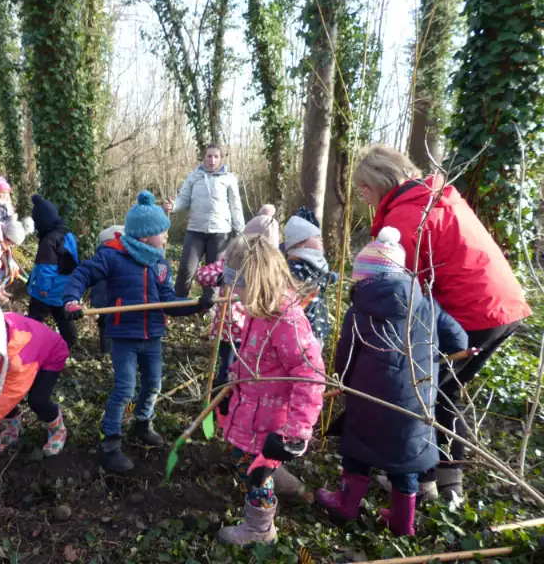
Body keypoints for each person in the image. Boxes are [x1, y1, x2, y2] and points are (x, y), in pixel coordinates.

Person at [353, 145, 531, 499]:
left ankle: (424, 479)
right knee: (444, 390)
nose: (362, 197)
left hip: (475, 311)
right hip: (499, 306)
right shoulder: (434, 199)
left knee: (423, 391)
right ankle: (449, 481)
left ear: (379, 182)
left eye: (364, 189)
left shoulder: (405, 217)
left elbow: (402, 293)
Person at [316, 228, 468, 536]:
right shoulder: (425, 304)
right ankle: (402, 521)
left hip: (369, 399)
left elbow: (345, 356)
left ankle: (346, 505)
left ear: (364, 277)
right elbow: (459, 339)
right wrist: (435, 359)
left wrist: (343, 381)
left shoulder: (360, 311)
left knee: (358, 449)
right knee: (406, 457)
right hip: (417, 395)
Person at [63, 191, 213, 473]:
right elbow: (82, 274)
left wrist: (197, 306)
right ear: (145, 236)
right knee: (124, 389)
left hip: (153, 336)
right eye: (162, 233)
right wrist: (71, 299)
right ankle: (109, 444)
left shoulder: (160, 263)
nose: (167, 237)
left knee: (153, 384)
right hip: (124, 336)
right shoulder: (113, 256)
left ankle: (142, 424)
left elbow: (168, 303)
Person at [214, 234, 325, 546]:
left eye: (240, 287)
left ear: (259, 282)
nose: (234, 295)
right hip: (249, 409)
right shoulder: (258, 310)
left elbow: (310, 376)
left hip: (270, 421)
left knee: (255, 475)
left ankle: (260, 530)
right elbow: (252, 357)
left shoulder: (286, 320)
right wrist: (231, 383)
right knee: (242, 461)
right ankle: (280, 479)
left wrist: (294, 434)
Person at [0, 292, 69, 457]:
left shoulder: (18, 355)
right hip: (23, 354)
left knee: (37, 400)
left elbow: (11, 392)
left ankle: (58, 428)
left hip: (50, 354)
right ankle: (12, 431)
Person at [194, 204, 280, 394]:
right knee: (228, 367)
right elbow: (202, 274)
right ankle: (222, 398)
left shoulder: (268, 269)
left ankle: (238, 398)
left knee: (246, 370)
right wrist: (223, 277)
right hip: (228, 329)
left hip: (253, 330)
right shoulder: (229, 260)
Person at [163, 144, 245, 298]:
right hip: (195, 231)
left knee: (215, 274)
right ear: (204, 157)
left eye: (216, 156)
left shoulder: (229, 179)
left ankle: (210, 307)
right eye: (209, 156)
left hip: (221, 233)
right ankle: (177, 304)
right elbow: (184, 200)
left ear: (221, 159)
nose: (212, 160)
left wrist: (241, 232)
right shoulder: (194, 177)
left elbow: (236, 207)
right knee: (186, 270)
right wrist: (173, 206)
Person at [27, 195, 79, 346]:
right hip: (64, 287)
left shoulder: (49, 240)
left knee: (34, 318)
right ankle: (69, 344)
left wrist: (42, 289)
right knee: (63, 316)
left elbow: (47, 269)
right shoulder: (68, 234)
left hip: (47, 290)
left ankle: (30, 344)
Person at [282, 206, 336, 344]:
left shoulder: (312, 265)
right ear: (300, 243)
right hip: (300, 331)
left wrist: (331, 277)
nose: (321, 239)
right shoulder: (293, 268)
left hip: (316, 326)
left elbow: (318, 278)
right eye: (316, 237)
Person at [90, 225, 125, 354]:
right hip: (112, 304)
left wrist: (95, 306)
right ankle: (108, 354)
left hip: (104, 304)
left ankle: (106, 352)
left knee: (105, 328)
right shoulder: (114, 259)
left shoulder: (99, 258)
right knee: (109, 329)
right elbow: (100, 286)